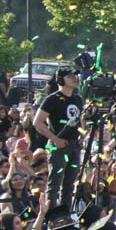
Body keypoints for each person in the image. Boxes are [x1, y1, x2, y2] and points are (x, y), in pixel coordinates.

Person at [32, 68, 83, 214]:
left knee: (69, 184)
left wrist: (82, 136)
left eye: (75, 75)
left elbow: (79, 122)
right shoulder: (52, 99)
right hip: (59, 146)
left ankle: (66, 214)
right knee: (54, 184)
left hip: (74, 145)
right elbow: (38, 122)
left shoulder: (77, 99)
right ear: (60, 80)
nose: (74, 78)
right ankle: (51, 215)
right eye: (70, 76)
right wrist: (55, 139)